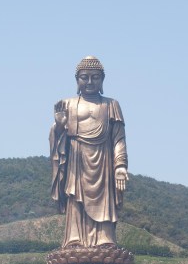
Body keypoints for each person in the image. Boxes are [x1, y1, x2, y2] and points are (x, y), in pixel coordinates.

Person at [50, 56, 129, 248]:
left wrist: (120, 166)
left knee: (104, 199)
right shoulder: (67, 104)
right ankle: (74, 240)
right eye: (84, 77)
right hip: (77, 159)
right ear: (77, 80)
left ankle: (105, 239)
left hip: (103, 159)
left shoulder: (111, 105)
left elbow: (118, 139)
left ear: (102, 80)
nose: (90, 82)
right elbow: (57, 138)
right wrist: (59, 127)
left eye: (95, 77)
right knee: (75, 197)